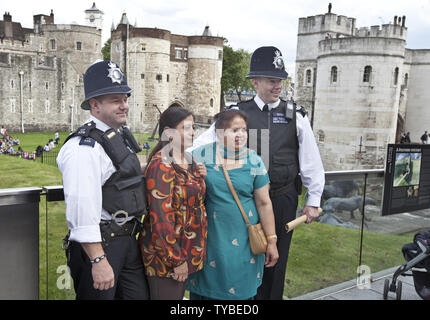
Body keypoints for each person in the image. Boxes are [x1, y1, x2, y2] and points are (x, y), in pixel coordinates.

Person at [192, 46, 325, 300]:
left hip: (282, 200)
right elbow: (200, 146)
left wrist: (313, 200)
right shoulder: (236, 114)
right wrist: (170, 160)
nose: (278, 86)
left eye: (280, 80)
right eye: (272, 80)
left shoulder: (295, 115)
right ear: (255, 82)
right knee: (245, 259)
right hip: (244, 200)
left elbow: (311, 161)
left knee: (276, 263)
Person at [57, 60, 149, 300]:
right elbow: (81, 205)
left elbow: (121, 172)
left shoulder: (112, 136)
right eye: (116, 101)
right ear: (95, 105)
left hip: (127, 239)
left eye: (125, 99)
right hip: (101, 244)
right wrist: (97, 259)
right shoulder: (83, 148)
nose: (125, 106)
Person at [187, 109, 279, 300]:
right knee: (208, 289)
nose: (241, 135)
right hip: (209, 238)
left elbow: (264, 203)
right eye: (234, 130)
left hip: (244, 238)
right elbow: (174, 178)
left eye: (243, 130)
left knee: (240, 291)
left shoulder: (254, 160)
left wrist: (271, 241)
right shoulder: (199, 156)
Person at [138, 104, 207, 300]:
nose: (193, 132)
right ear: (168, 133)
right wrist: (176, 259)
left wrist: (202, 177)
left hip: (187, 249)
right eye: (186, 128)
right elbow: (161, 218)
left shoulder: (188, 160)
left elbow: (196, 201)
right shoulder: (162, 164)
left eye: (193, 127)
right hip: (166, 257)